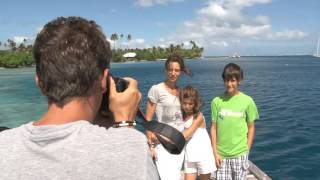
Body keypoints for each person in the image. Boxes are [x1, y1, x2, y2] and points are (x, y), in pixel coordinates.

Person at [0, 16, 159, 180]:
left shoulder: (4, 145)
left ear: (39, 82)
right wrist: (125, 127)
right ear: (103, 80)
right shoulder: (131, 148)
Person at [145, 55, 191, 180]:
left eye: (176, 70)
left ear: (180, 72)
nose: (173, 73)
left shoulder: (181, 92)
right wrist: (152, 146)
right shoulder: (156, 89)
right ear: (166, 70)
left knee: (175, 176)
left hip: (178, 144)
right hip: (163, 144)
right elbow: (148, 120)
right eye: (170, 69)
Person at [210, 63, 259, 180]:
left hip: (240, 154)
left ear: (239, 81)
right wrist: (215, 152)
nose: (229, 84)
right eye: (226, 80)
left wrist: (247, 148)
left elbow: (251, 127)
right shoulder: (216, 101)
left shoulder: (248, 101)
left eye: (232, 80)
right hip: (221, 155)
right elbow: (213, 128)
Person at [179, 86, 216, 180]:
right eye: (184, 103)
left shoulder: (198, 116)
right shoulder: (181, 116)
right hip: (189, 155)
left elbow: (187, 134)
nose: (187, 106)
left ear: (195, 103)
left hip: (203, 155)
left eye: (190, 104)